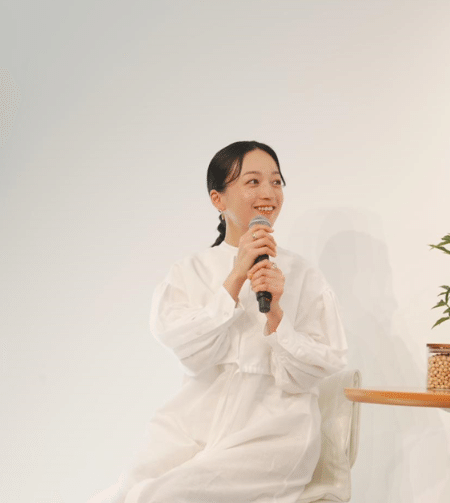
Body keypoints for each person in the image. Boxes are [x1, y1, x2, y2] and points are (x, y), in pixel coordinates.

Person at [96, 141, 347, 503]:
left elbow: (323, 362)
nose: (268, 193)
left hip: (273, 432)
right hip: (193, 424)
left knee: (161, 497)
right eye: (253, 182)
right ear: (218, 199)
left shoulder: (303, 275)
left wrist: (276, 312)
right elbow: (190, 351)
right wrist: (235, 276)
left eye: (276, 182)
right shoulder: (190, 271)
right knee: (124, 493)